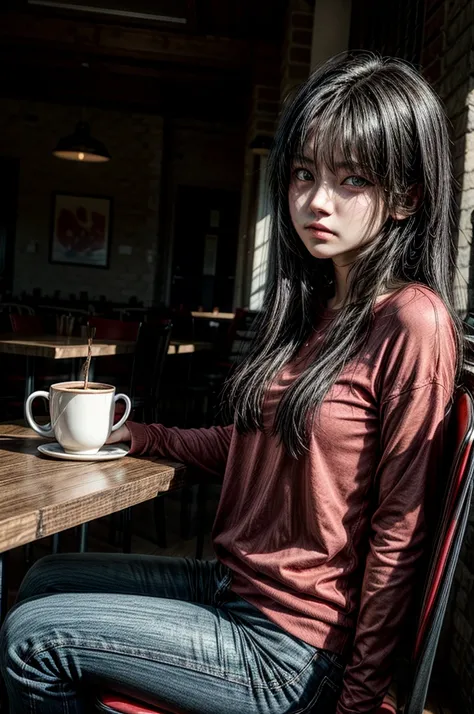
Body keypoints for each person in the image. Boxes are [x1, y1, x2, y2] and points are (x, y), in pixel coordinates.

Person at [0, 52, 464, 714]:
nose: (315, 202)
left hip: (294, 648)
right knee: (44, 576)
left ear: (406, 197)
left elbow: (402, 528)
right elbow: (262, 444)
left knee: (31, 637)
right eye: (304, 174)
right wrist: (144, 435)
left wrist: (358, 703)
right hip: (233, 587)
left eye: (351, 179)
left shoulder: (413, 321)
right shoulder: (322, 310)